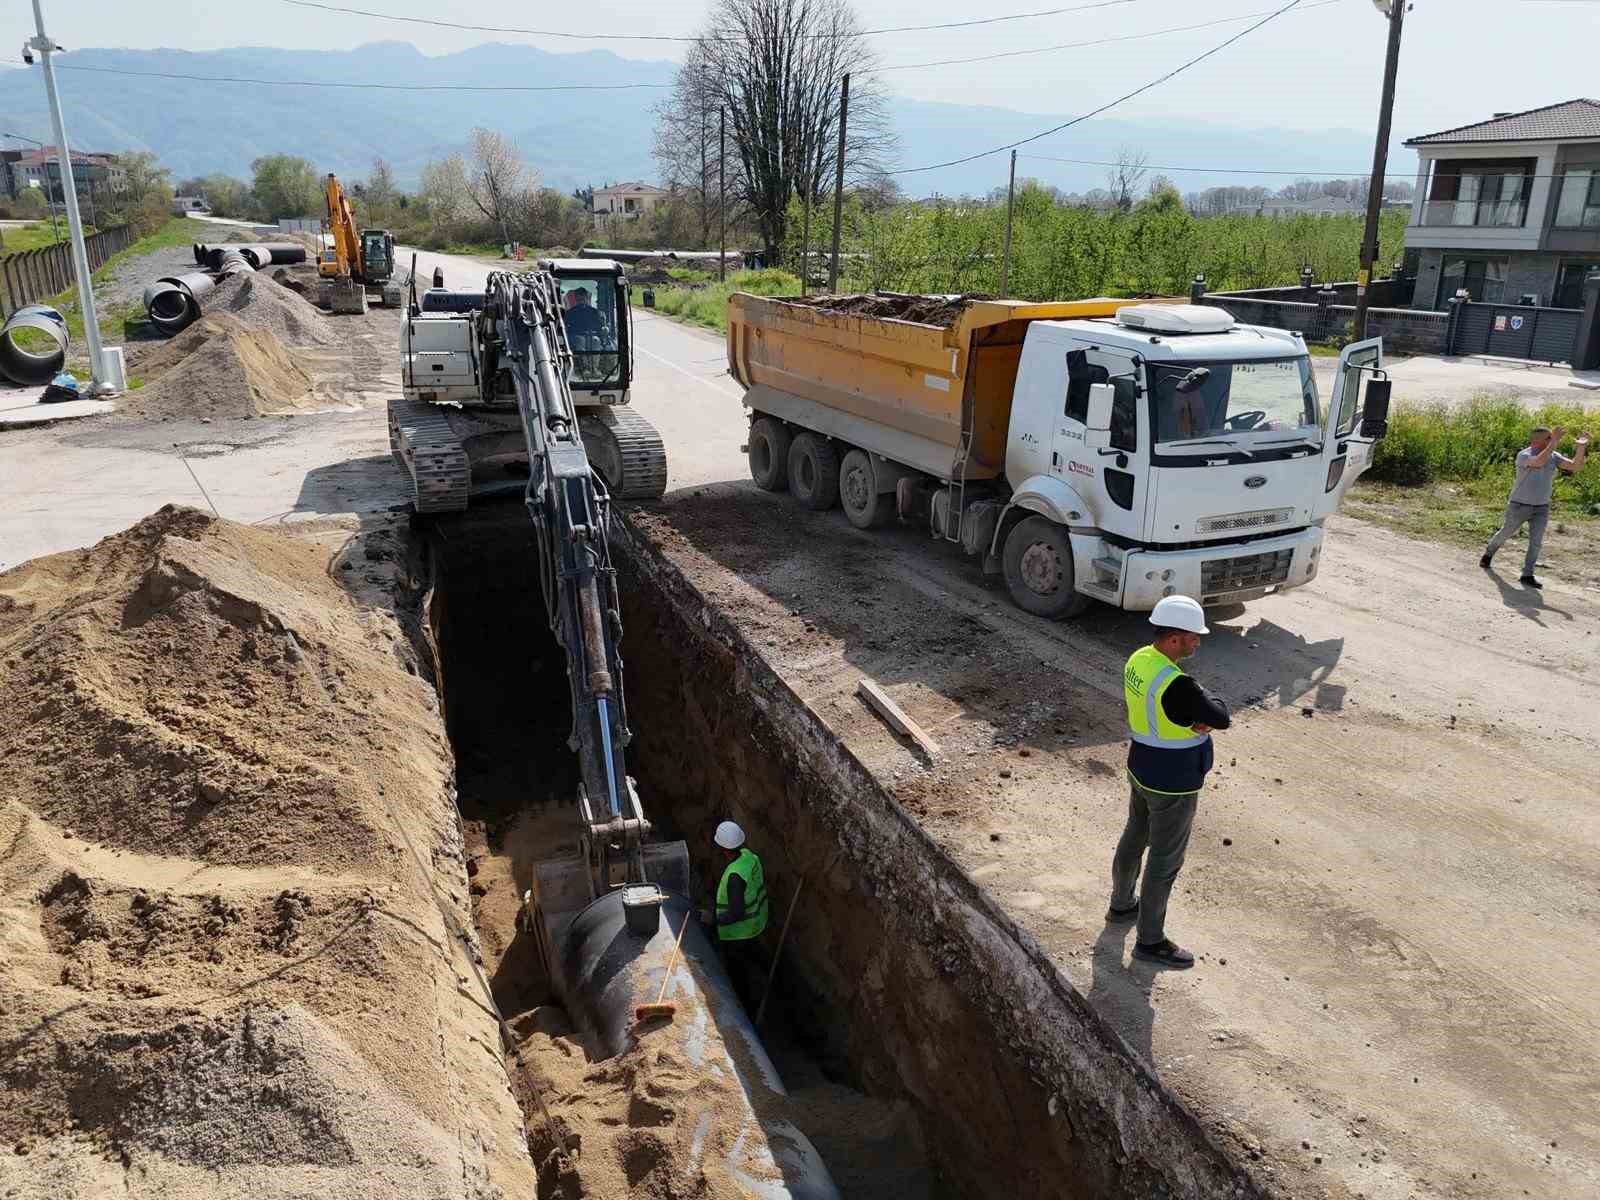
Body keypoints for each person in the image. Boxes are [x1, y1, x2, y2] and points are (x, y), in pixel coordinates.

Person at [1107, 595, 1231, 968]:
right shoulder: (1178, 684)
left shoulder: (1139, 659)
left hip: (1141, 767)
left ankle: (1122, 904)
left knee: (1134, 836)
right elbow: (1221, 715)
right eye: (1194, 636)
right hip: (1173, 781)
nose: (1198, 642)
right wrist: (1200, 710)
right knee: (1165, 860)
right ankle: (1150, 941)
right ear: (1174, 638)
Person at [1480, 426, 1589, 588]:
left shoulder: (1553, 455)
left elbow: (1575, 467)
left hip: (1541, 507)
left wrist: (1581, 448)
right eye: (1548, 438)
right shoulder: (1524, 455)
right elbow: (1539, 462)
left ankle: (1527, 574)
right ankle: (1489, 553)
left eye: (1551, 438)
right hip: (1519, 505)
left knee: (1536, 542)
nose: (1551, 440)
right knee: (1506, 532)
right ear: (1536, 440)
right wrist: (1555, 441)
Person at [702, 820, 770, 1005]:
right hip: (756, 924)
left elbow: (737, 913)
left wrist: (713, 919)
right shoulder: (750, 857)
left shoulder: (734, 876)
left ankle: (745, 1006)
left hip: (738, 934)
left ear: (723, 848)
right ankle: (772, 981)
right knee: (755, 957)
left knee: (737, 976)